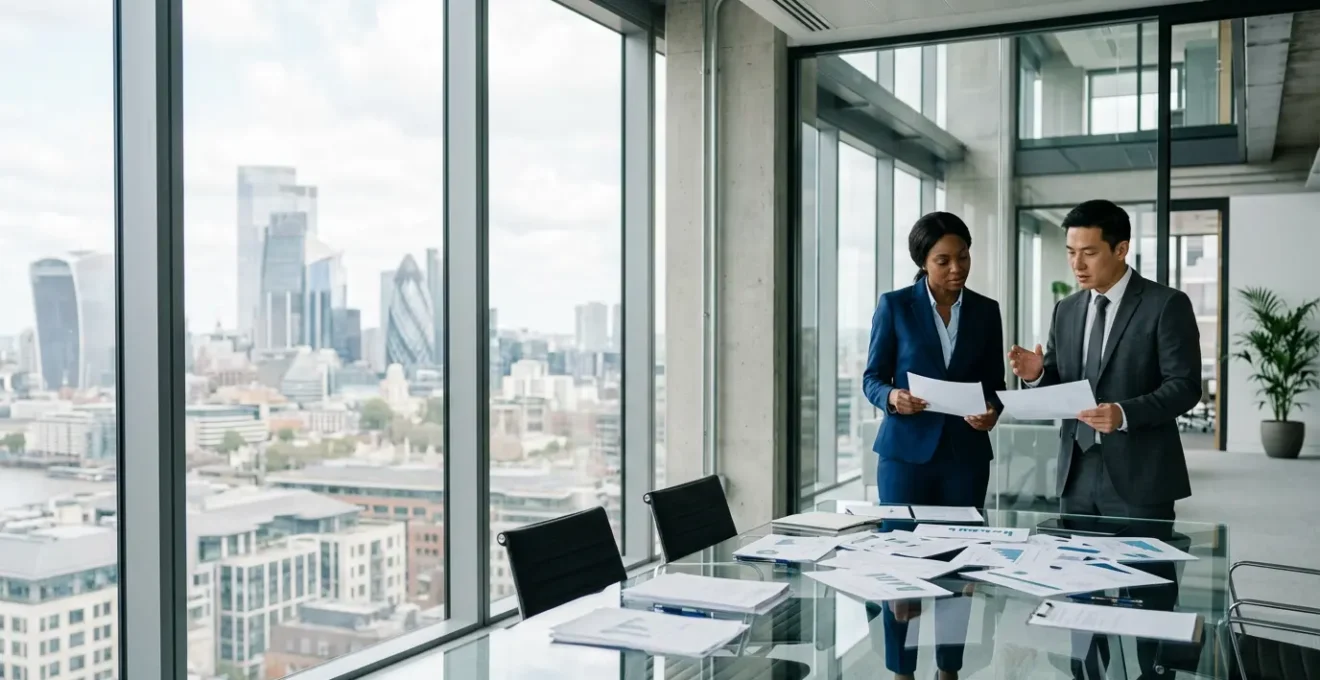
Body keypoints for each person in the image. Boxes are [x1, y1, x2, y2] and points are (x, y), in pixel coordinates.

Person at [1007, 199, 1200, 679]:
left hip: (1140, 474)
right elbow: (1062, 385)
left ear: (1121, 249)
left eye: (1089, 252)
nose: (1077, 264)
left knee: (1150, 593)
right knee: (1078, 592)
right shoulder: (1066, 309)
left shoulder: (1165, 304)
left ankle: (1153, 674)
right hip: (1077, 472)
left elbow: (1184, 386)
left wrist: (1125, 413)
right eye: (1071, 252)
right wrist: (1036, 375)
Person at [862, 211, 1006, 680]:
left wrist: (991, 411)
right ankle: (901, 671)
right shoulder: (895, 306)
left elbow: (995, 386)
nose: (956, 268)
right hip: (905, 457)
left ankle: (949, 669)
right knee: (901, 567)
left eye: (963, 257)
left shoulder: (986, 310)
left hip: (966, 457)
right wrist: (893, 398)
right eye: (943, 260)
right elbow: (871, 378)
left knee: (957, 566)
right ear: (923, 262)